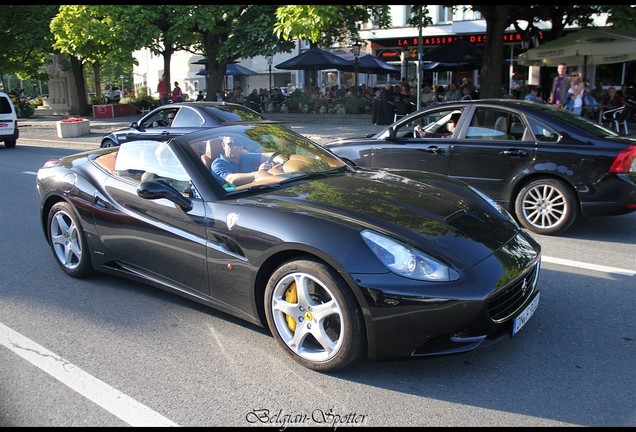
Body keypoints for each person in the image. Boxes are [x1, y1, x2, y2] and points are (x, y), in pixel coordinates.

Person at [210, 136, 285, 186]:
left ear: (242, 145)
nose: (235, 147)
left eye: (238, 143)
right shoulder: (217, 164)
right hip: (232, 199)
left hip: (255, 190)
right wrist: (259, 173)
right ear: (223, 145)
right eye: (230, 144)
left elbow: (272, 155)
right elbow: (231, 179)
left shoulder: (245, 157)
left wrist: (283, 162)